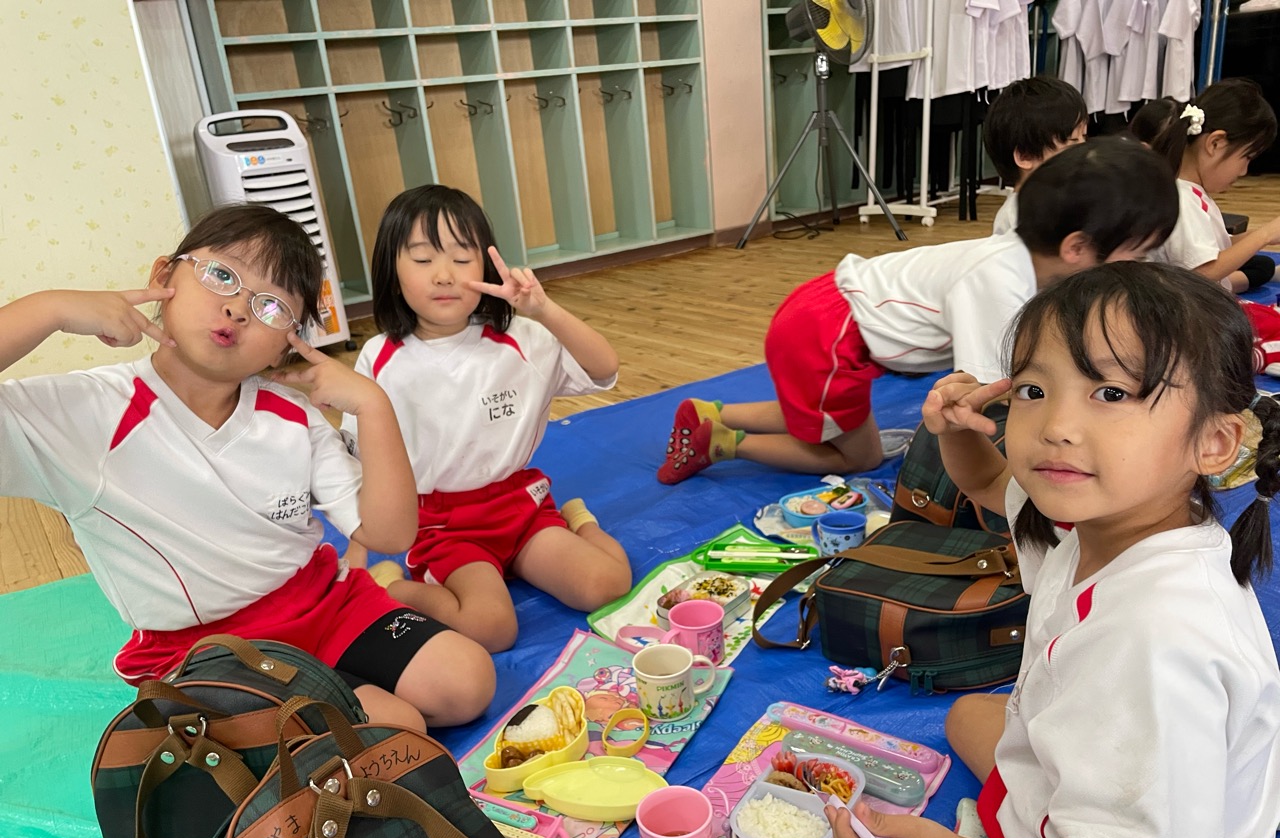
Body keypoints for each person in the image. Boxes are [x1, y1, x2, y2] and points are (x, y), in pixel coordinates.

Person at [825, 262, 1280, 838]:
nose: (1057, 426)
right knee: (968, 715)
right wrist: (955, 429)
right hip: (1079, 816)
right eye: (1034, 390)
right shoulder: (1098, 518)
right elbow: (988, 482)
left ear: (1212, 443)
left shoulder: (1162, 636)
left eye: (1111, 392)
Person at [0, 204, 495, 732]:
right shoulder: (90, 413)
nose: (238, 309)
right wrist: (50, 308)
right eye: (221, 275)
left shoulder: (291, 415)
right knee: (393, 728)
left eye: (271, 306)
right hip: (210, 651)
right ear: (163, 278)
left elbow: (390, 534)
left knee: (467, 680)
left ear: (287, 342)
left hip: (325, 603)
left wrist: (374, 405)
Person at [658, 137, 1178, 483]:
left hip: (830, 315)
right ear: (1077, 247)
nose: (1142, 265)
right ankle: (724, 442)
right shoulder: (1000, 280)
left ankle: (711, 412)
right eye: (1138, 252)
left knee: (822, 414)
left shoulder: (1025, 253)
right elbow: (986, 393)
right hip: (827, 332)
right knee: (858, 455)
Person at [342, 184, 631, 652]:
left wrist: (544, 309)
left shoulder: (521, 337)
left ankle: (578, 520)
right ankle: (391, 583)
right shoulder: (380, 358)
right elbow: (358, 460)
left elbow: (604, 369)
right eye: (423, 259)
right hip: (444, 525)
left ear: (485, 265)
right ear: (392, 274)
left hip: (520, 505)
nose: (444, 276)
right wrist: (358, 549)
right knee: (491, 629)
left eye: (462, 258)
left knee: (607, 584)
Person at [1149, 78, 1280, 295]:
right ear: (1215, 143)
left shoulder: (1188, 192)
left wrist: (1268, 235)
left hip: (1195, 301)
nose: (1244, 171)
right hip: (1184, 307)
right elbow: (1204, 272)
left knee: (1260, 264)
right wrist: (1264, 235)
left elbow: (1217, 246)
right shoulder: (1181, 199)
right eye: (1246, 157)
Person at [983, 76, 1088, 237]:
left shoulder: (1062, 200)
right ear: (1026, 156)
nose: (1085, 149)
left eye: (1085, 137)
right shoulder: (1020, 218)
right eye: (1073, 141)